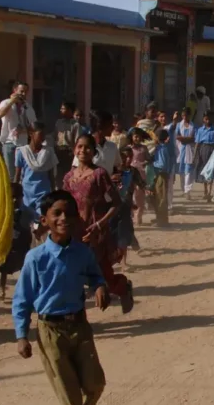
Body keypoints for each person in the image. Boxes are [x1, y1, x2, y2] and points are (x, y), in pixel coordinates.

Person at [12, 190, 110, 405]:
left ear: (78, 218)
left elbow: (95, 275)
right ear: (45, 220)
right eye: (56, 213)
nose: (63, 218)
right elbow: (22, 299)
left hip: (79, 324)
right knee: (67, 390)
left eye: (68, 212)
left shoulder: (82, 252)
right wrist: (22, 335)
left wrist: (100, 286)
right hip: (50, 330)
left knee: (96, 383)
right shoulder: (36, 258)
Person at [63, 133, 132, 312]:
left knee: (104, 277)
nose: (83, 150)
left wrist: (99, 225)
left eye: (87, 147)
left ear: (94, 152)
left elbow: (115, 203)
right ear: (74, 150)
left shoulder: (99, 174)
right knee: (73, 275)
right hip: (74, 235)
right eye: (79, 146)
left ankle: (123, 287)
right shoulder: (68, 177)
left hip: (96, 235)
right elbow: (62, 204)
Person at [14, 122, 57, 227]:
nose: (43, 137)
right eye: (40, 134)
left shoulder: (48, 152)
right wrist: (15, 193)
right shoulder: (22, 152)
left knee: (42, 222)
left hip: (43, 193)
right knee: (26, 224)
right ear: (31, 134)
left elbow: (51, 175)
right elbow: (18, 175)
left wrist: (54, 194)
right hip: (27, 194)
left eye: (44, 135)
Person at [0, 183, 32, 300]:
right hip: (8, 243)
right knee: (4, 267)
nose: (15, 200)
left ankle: (23, 291)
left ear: (22, 197)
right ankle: (2, 290)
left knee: (24, 267)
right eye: (12, 197)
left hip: (23, 243)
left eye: (17, 197)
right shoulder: (4, 211)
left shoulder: (26, 211)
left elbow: (37, 219)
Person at [0, 81, 36, 179]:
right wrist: (12, 102)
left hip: (22, 143)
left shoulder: (27, 107)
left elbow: (33, 127)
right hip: (9, 142)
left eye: (26, 92)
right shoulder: (5, 102)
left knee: (22, 173)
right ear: (15, 90)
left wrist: (24, 129)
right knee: (10, 172)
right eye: (21, 91)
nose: (23, 94)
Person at [116, 147, 145, 261]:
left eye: (129, 157)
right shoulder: (115, 171)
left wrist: (146, 189)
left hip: (126, 204)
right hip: (113, 205)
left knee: (126, 227)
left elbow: (140, 182)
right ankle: (134, 246)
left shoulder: (133, 171)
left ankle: (125, 259)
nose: (127, 159)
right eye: (124, 157)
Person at [73, 110, 122, 178]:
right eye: (110, 124)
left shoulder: (113, 147)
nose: (113, 127)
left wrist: (116, 176)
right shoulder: (85, 147)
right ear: (99, 127)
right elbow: (75, 170)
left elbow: (116, 166)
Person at [193, 111, 214, 202]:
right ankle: (205, 191)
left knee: (211, 170)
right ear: (203, 119)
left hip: (212, 150)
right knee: (203, 170)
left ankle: (209, 192)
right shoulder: (200, 130)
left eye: (209, 119)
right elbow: (197, 143)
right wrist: (195, 155)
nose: (207, 121)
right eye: (206, 119)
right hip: (203, 149)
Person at [150, 128, 173, 227]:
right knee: (156, 197)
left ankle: (163, 220)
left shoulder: (162, 149)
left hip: (161, 174)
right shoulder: (159, 147)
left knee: (161, 198)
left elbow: (162, 165)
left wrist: (152, 163)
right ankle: (159, 217)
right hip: (157, 175)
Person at [54, 100, 82, 180]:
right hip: (58, 151)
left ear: (69, 110)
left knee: (68, 174)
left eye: (63, 109)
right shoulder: (58, 122)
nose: (61, 110)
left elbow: (77, 141)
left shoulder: (76, 125)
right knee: (58, 174)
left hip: (69, 153)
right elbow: (55, 136)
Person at [129, 128, 150, 226]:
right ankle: (132, 216)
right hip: (130, 175)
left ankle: (139, 216)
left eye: (139, 136)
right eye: (135, 136)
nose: (137, 138)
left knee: (140, 197)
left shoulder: (144, 148)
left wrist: (143, 163)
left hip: (141, 175)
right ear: (132, 137)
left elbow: (148, 159)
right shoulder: (128, 148)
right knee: (131, 196)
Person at [175, 107, 196, 198]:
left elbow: (193, 138)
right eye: (183, 115)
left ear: (189, 115)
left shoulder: (193, 125)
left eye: (186, 115)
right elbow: (177, 136)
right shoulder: (179, 125)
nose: (184, 117)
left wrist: (184, 139)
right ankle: (183, 189)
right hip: (180, 149)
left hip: (189, 150)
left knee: (188, 171)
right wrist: (186, 139)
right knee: (181, 171)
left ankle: (187, 190)